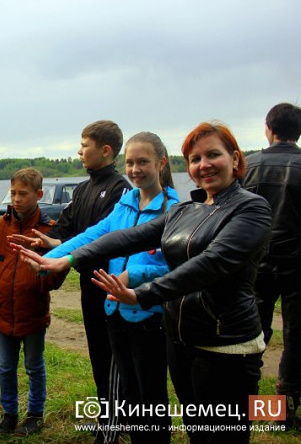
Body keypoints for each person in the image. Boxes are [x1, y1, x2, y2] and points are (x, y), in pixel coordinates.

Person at [18, 122, 271, 444]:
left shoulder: (251, 207)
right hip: (182, 338)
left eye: (213, 155)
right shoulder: (187, 209)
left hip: (224, 345)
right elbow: (123, 237)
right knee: (195, 432)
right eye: (195, 158)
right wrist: (64, 259)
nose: (203, 165)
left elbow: (212, 264)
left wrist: (143, 293)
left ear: (235, 159)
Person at [40, 133, 178, 444]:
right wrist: (51, 258)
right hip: (114, 310)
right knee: (122, 386)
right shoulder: (125, 203)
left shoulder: (174, 210)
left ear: (161, 163)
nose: (135, 169)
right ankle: (111, 434)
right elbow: (94, 236)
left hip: (149, 316)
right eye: (130, 162)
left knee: (151, 396)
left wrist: (135, 274)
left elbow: (175, 268)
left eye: (143, 162)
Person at [10, 120, 131, 444]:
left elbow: (103, 236)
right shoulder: (82, 188)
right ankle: (107, 417)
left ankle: (114, 426)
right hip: (88, 284)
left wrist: (64, 247)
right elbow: (66, 230)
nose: (79, 151)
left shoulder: (120, 189)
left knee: (113, 358)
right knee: (97, 355)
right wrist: (46, 242)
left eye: (84, 145)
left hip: (111, 286)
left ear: (105, 150)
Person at [0, 168, 68, 436]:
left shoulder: (47, 233)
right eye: (14, 193)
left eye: (24, 194)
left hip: (32, 310)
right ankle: (9, 414)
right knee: (6, 366)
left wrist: (39, 279)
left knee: (33, 366)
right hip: (2, 310)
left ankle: (34, 415)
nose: (17, 199)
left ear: (39, 195)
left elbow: (58, 271)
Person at [241, 102, 301, 428]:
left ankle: (247, 403)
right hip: (297, 267)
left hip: (256, 265)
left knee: (252, 335)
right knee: (296, 338)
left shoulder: (248, 166)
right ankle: (283, 409)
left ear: (268, 128)